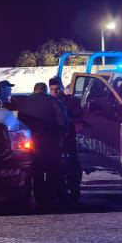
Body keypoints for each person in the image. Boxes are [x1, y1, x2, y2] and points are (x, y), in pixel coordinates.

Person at [16, 82, 66, 210]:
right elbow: (62, 119)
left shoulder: (24, 103)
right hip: (51, 142)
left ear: (34, 90)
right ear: (45, 90)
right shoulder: (53, 101)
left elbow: (20, 122)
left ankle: (38, 197)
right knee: (52, 170)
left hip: (32, 142)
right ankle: (51, 198)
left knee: (36, 170)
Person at [48, 75, 82, 204]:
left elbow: (78, 118)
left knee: (73, 166)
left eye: (57, 89)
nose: (55, 92)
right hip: (54, 141)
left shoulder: (71, 101)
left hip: (69, 138)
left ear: (62, 88)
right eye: (52, 89)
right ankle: (60, 193)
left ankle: (74, 193)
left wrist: (67, 124)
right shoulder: (48, 102)